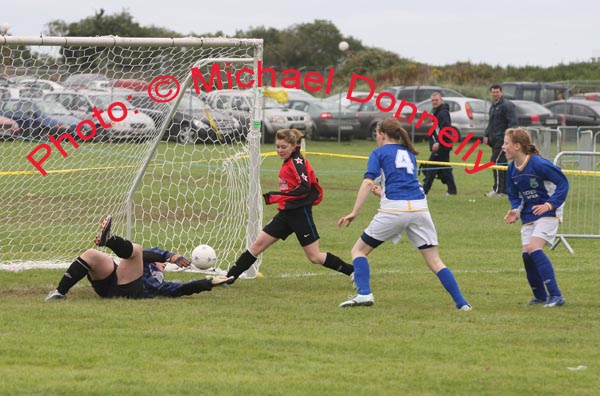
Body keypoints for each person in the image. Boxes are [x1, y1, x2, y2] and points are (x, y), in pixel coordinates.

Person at [337, 117, 471, 310]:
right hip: (419, 209)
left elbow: (368, 182)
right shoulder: (408, 153)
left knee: (359, 251)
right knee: (435, 261)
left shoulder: (378, 152)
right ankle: (463, 304)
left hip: (394, 210)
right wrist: (382, 192)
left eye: (377, 134)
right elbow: (404, 183)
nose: (376, 138)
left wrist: (354, 212)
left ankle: (364, 294)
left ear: (382, 134)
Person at [225, 128, 354, 283]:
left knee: (314, 257)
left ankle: (353, 271)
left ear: (293, 146)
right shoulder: (288, 162)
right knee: (257, 245)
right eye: (277, 146)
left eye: (284, 147)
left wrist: (277, 196)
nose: (280, 150)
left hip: (300, 214)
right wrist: (281, 199)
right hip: (286, 213)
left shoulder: (296, 162)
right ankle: (228, 278)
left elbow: (305, 187)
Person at [45, 216, 231, 300]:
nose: (160, 264)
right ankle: (59, 292)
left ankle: (109, 240)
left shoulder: (159, 283)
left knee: (136, 250)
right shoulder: (146, 263)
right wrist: (168, 255)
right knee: (92, 254)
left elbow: (182, 289)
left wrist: (208, 283)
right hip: (109, 285)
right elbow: (146, 255)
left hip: (130, 290)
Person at [502, 128, 568, 307]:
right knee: (527, 255)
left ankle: (556, 296)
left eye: (506, 143)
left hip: (548, 212)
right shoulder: (511, 169)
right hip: (529, 214)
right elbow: (515, 195)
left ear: (517, 146)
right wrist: (515, 210)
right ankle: (540, 296)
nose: (503, 147)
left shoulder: (539, 164)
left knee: (533, 248)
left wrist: (550, 204)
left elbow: (563, 183)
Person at [483, 84, 517, 197]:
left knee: (495, 162)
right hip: (494, 139)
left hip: (503, 140)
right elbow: (491, 123)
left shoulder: (507, 105)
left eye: (497, 92)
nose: (495, 94)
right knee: (502, 164)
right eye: (493, 92)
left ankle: (497, 190)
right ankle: (505, 190)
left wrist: (509, 139)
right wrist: (486, 134)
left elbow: (513, 123)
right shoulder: (493, 106)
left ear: (501, 92)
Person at [422, 92, 457, 195]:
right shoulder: (436, 112)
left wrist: (439, 144)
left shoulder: (443, 113)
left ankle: (424, 190)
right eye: (432, 100)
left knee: (431, 168)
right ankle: (452, 190)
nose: (434, 102)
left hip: (443, 145)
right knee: (444, 169)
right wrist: (433, 142)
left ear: (441, 100)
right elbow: (435, 130)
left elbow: (445, 130)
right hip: (441, 145)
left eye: (436, 100)